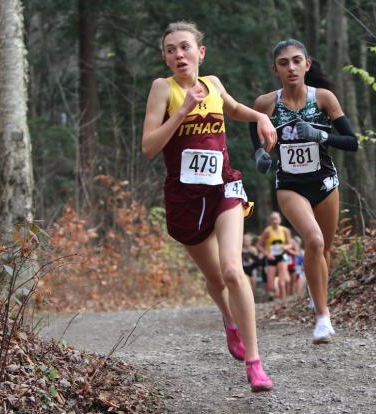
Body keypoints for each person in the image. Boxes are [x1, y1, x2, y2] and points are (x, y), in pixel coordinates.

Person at [141, 21, 276, 391]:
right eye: (170, 49)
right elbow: (149, 147)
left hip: (223, 187)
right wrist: (183, 110)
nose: (178, 54)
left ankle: (254, 362)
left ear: (200, 52)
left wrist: (260, 116)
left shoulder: (213, 83)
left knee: (232, 270)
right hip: (185, 198)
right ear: (166, 58)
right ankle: (230, 321)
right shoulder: (162, 89)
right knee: (216, 280)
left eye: (185, 47)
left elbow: (233, 109)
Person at [249, 39, 358, 344]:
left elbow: (352, 142)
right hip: (290, 185)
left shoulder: (323, 98)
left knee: (324, 250)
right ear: (276, 69)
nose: (291, 67)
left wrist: (320, 134)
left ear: (307, 64)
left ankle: (316, 291)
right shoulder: (265, 104)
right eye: (284, 63)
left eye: (297, 60)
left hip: (325, 183)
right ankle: (322, 317)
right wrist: (260, 154)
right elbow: (254, 134)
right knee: (314, 240)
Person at [257, 211, 292, 302]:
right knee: (271, 286)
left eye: (276, 218)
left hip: (281, 256)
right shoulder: (267, 231)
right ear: (270, 221)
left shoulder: (285, 230)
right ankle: (277, 298)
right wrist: (267, 254)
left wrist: (285, 247)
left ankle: (283, 302)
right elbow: (259, 245)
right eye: (272, 219)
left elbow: (290, 244)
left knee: (281, 282)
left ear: (280, 219)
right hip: (271, 258)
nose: (274, 221)